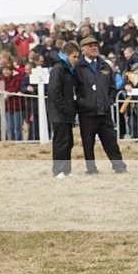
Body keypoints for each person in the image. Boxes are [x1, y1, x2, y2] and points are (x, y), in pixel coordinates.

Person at [74, 36, 127, 174]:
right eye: (90, 45)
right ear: (83, 49)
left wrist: (109, 100)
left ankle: (119, 167)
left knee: (111, 142)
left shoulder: (105, 65)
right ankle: (91, 169)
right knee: (88, 143)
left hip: (104, 111)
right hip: (87, 113)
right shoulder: (78, 68)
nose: (94, 47)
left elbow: (112, 86)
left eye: (95, 45)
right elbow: (74, 89)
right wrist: (82, 103)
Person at [47, 41, 79, 178]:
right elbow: (54, 92)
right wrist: (65, 108)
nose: (76, 60)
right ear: (67, 55)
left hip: (65, 113)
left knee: (68, 142)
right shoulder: (58, 69)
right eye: (74, 56)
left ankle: (66, 170)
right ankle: (58, 170)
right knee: (61, 142)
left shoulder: (66, 69)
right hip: (59, 113)